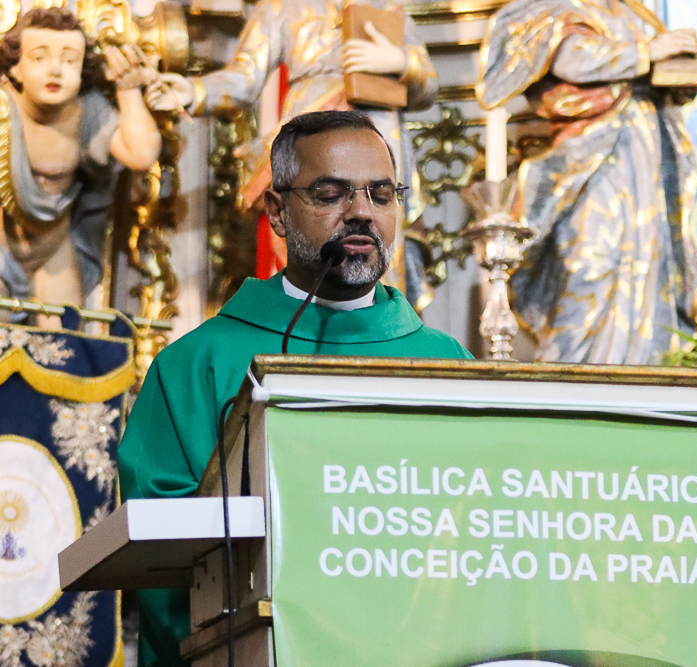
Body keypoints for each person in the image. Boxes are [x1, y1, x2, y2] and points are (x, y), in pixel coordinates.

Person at [117, 110, 472, 667]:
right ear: (278, 212)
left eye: (381, 194)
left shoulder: (448, 364)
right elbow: (166, 565)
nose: (362, 212)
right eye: (331, 194)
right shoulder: (196, 365)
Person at [145, 0, 439, 303]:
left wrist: (400, 62)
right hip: (311, 135)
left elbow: (428, 87)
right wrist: (194, 91)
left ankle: (377, 321)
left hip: (378, 133)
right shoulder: (280, 7)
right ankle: (307, 320)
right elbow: (244, 76)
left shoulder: (388, 8)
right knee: (310, 229)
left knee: (376, 235)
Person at [477, 0, 697, 365]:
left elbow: (658, 71)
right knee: (589, 258)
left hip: (645, 154)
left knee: (648, 263)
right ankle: (574, 367)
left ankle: (642, 365)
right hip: (588, 158)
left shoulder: (632, 11)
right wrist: (647, 52)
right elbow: (570, 58)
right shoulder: (556, 5)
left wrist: (681, 71)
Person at [0, 8, 161, 307]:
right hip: (3, 245)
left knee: (61, 327)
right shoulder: (4, 111)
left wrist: (127, 89)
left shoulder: (87, 113)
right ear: (15, 68)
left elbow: (141, 154)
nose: (55, 70)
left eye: (69, 60)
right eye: (39, 58)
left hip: (53, 249)